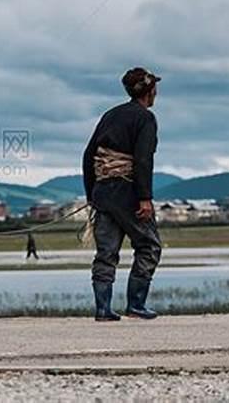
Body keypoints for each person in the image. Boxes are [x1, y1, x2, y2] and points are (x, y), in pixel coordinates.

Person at [82, 67, 162, 321]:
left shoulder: (110, 115)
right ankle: (136, 305)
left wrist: (91, 194)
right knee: (149, 246)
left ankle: (103, 309)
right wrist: (144, 197)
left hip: (103, 193)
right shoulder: (145, 119)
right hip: (128, 192)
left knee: (106, 252)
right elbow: (142, 160)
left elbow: (88, 155)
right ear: (150, 91)